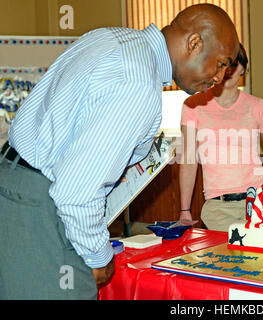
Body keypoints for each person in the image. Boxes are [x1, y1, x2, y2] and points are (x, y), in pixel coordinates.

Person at [0, 3, 239, 300]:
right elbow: (75, 192)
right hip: (43, 208)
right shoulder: (137, 81)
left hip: (14, 184)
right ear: (194, 43)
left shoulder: (110, 38)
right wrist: (98, 256)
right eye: (220, 64)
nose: (219, 79)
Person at [179, 44, 263, 232]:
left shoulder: (259, 106)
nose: (228, 70)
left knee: (259, 259)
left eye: (234, 64)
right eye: (222, 64)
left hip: (257, 202)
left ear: (244, 69)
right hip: (218, 208)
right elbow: (188, 160)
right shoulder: (192, 106)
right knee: (229, 259)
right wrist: (185, 210)